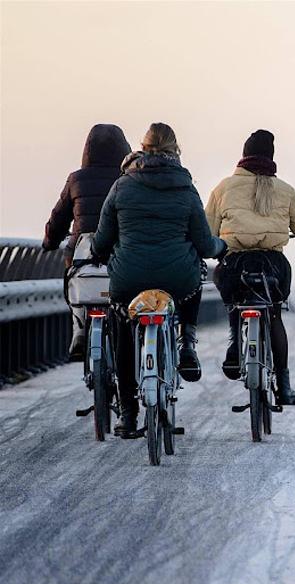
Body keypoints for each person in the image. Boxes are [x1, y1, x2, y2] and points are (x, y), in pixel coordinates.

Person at [92, 122, 226, 436]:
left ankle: (127, 413)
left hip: (130, 278)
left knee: (123, 331)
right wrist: (222, 247)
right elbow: (204, 244)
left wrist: (101, 252)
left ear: (143, 146)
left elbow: (102, 239)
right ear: (175, 149)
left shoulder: (122, 186)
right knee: (195, 278)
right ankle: (187, 342)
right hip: (177, 277)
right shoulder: (185, 186)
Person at [205, 129, 295, 405]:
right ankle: (284, 385)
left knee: (234, 302)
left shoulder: (224, 188)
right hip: (272, 266)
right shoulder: (285, 190)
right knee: (274, 314)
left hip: (234, 264)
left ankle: (235, 345)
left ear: (243, 156)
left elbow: (208, 230)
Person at [42, 124, 131, 360]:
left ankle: (79, 330)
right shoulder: (127, 179)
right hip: (118, 251)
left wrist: (49, 241)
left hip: (82, 251)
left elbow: (58, 219)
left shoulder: (76, 179)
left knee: (75, 283)